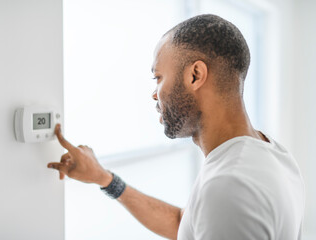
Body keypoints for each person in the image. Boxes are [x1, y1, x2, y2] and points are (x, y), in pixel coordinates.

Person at [47, 14, 305, 240]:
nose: (154, 94)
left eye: (158, 77)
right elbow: (185, 224)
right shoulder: (273, 153)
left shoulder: (229, 186)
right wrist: (104, 178)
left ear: (195, 75)